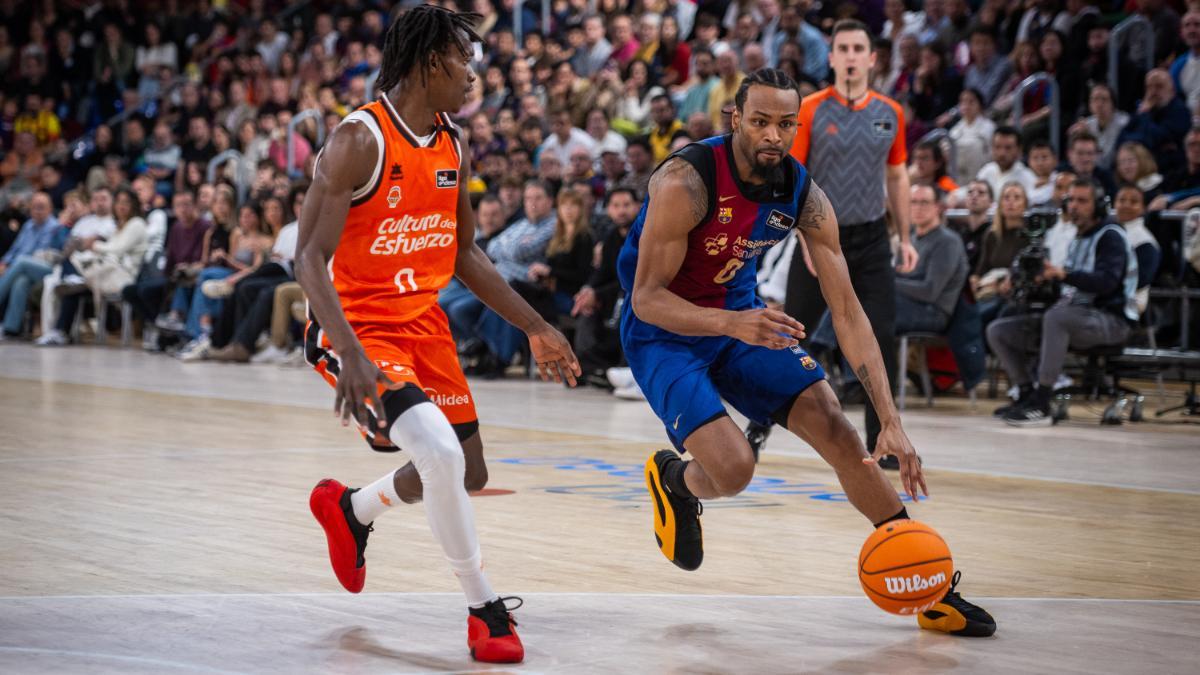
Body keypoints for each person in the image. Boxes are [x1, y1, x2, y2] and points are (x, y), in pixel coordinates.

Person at [620, 67, 994, 637]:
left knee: (842, 433)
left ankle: (931, 589)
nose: (774, 135)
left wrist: (891, 420)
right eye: (762, 121)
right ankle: (676, 480)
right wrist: (731, 322)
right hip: (665, 332)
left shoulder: (803, 194)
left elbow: (847, 312)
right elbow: (645, 299)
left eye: (786, 124)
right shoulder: (685, 181)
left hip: (745, 321)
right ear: (736, 118)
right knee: (734, 470)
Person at [293, 7, 579, 664]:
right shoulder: (358, 140)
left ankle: (352, 509)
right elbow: (307, 257)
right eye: (465, 60)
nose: (475, 73)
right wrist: (354, 354)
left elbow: (466, 254)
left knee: (467, 468)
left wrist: (535, 326)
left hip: (423, 322)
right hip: (356, 324)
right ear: (430, 63)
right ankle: (484, 610)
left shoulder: (452, 141)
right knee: (442, 458)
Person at [753, 21, 919, 466]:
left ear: (871, 58)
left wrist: (905, 236)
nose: (849, 55)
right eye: (841, 48)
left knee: (879, 335)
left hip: (871, 238)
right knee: (789, 334)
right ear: (831, 58)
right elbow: (793, 175)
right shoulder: (810, 108)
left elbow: (897, 175)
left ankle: (881, 439)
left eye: (857, 48)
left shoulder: (890, 112)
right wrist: (804, 237)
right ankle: (758, 423)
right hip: (820, 236)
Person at [987, 179, 1138, 426]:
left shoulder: (1110, 236)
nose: (1074, 207)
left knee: (1056, 318)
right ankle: (1026, 393)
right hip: (1075, 316)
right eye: (1071, 201)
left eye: (1082, 201)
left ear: (1099, 205)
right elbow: (1068, 288)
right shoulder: (1078, 238)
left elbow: (1106, 283)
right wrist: (1034, 283)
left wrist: (1063, 275)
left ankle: (1043, 402)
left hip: (1112, 319)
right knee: (1000, 330)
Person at [895, 185, 969, 335]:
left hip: (933, 313)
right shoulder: (908, 241)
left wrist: (888, 283)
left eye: (924, 202)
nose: (918, 208)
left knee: (873, 310)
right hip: (906, 304)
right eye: (913, 202)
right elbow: (898, 276)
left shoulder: (947, 241)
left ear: (938, 207)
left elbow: (929, 291)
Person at [0, 192, 62, 338]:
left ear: (50, 208)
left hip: (47, 268)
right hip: (22, 269)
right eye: (35, 207)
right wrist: (4, 263)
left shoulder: (54, 226)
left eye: (41, 207)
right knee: (21, 282)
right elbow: (15, 248)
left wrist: (10, 265)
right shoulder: (28, 225)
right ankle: (11, 329)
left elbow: (38, 254)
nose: (38, 211)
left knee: (22, 261)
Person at [975, 126, 1036, 197]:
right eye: (997, 147)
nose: (1002, 153)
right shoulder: (987, 170)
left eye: (1008, 148)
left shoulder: (1028, 178)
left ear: (1019, 150)